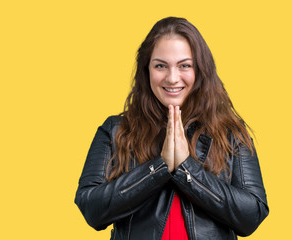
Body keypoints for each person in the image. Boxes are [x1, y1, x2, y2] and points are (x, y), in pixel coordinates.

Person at [74, 17, 269, 240]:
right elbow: (91, 209)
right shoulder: (116, 130)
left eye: (184, 65)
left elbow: (252, 216)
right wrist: (160, 168)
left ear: (200, 70)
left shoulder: (230, 132)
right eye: (160, 66)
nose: (172, 78)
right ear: (146, 70)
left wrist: (187, 170)